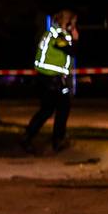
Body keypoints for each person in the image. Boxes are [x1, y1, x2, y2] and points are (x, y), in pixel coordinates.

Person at [22, 10, 78, 154]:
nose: (74, 25)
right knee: (57, 109)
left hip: (51, 78)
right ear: (66, 22)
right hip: (50, 79)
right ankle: (53, 140)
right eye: (73, 22)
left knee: (52, 109)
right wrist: (75, 37)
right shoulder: (57, 35)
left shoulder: (57, 34)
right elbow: (69, 50)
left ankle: (32, 137)